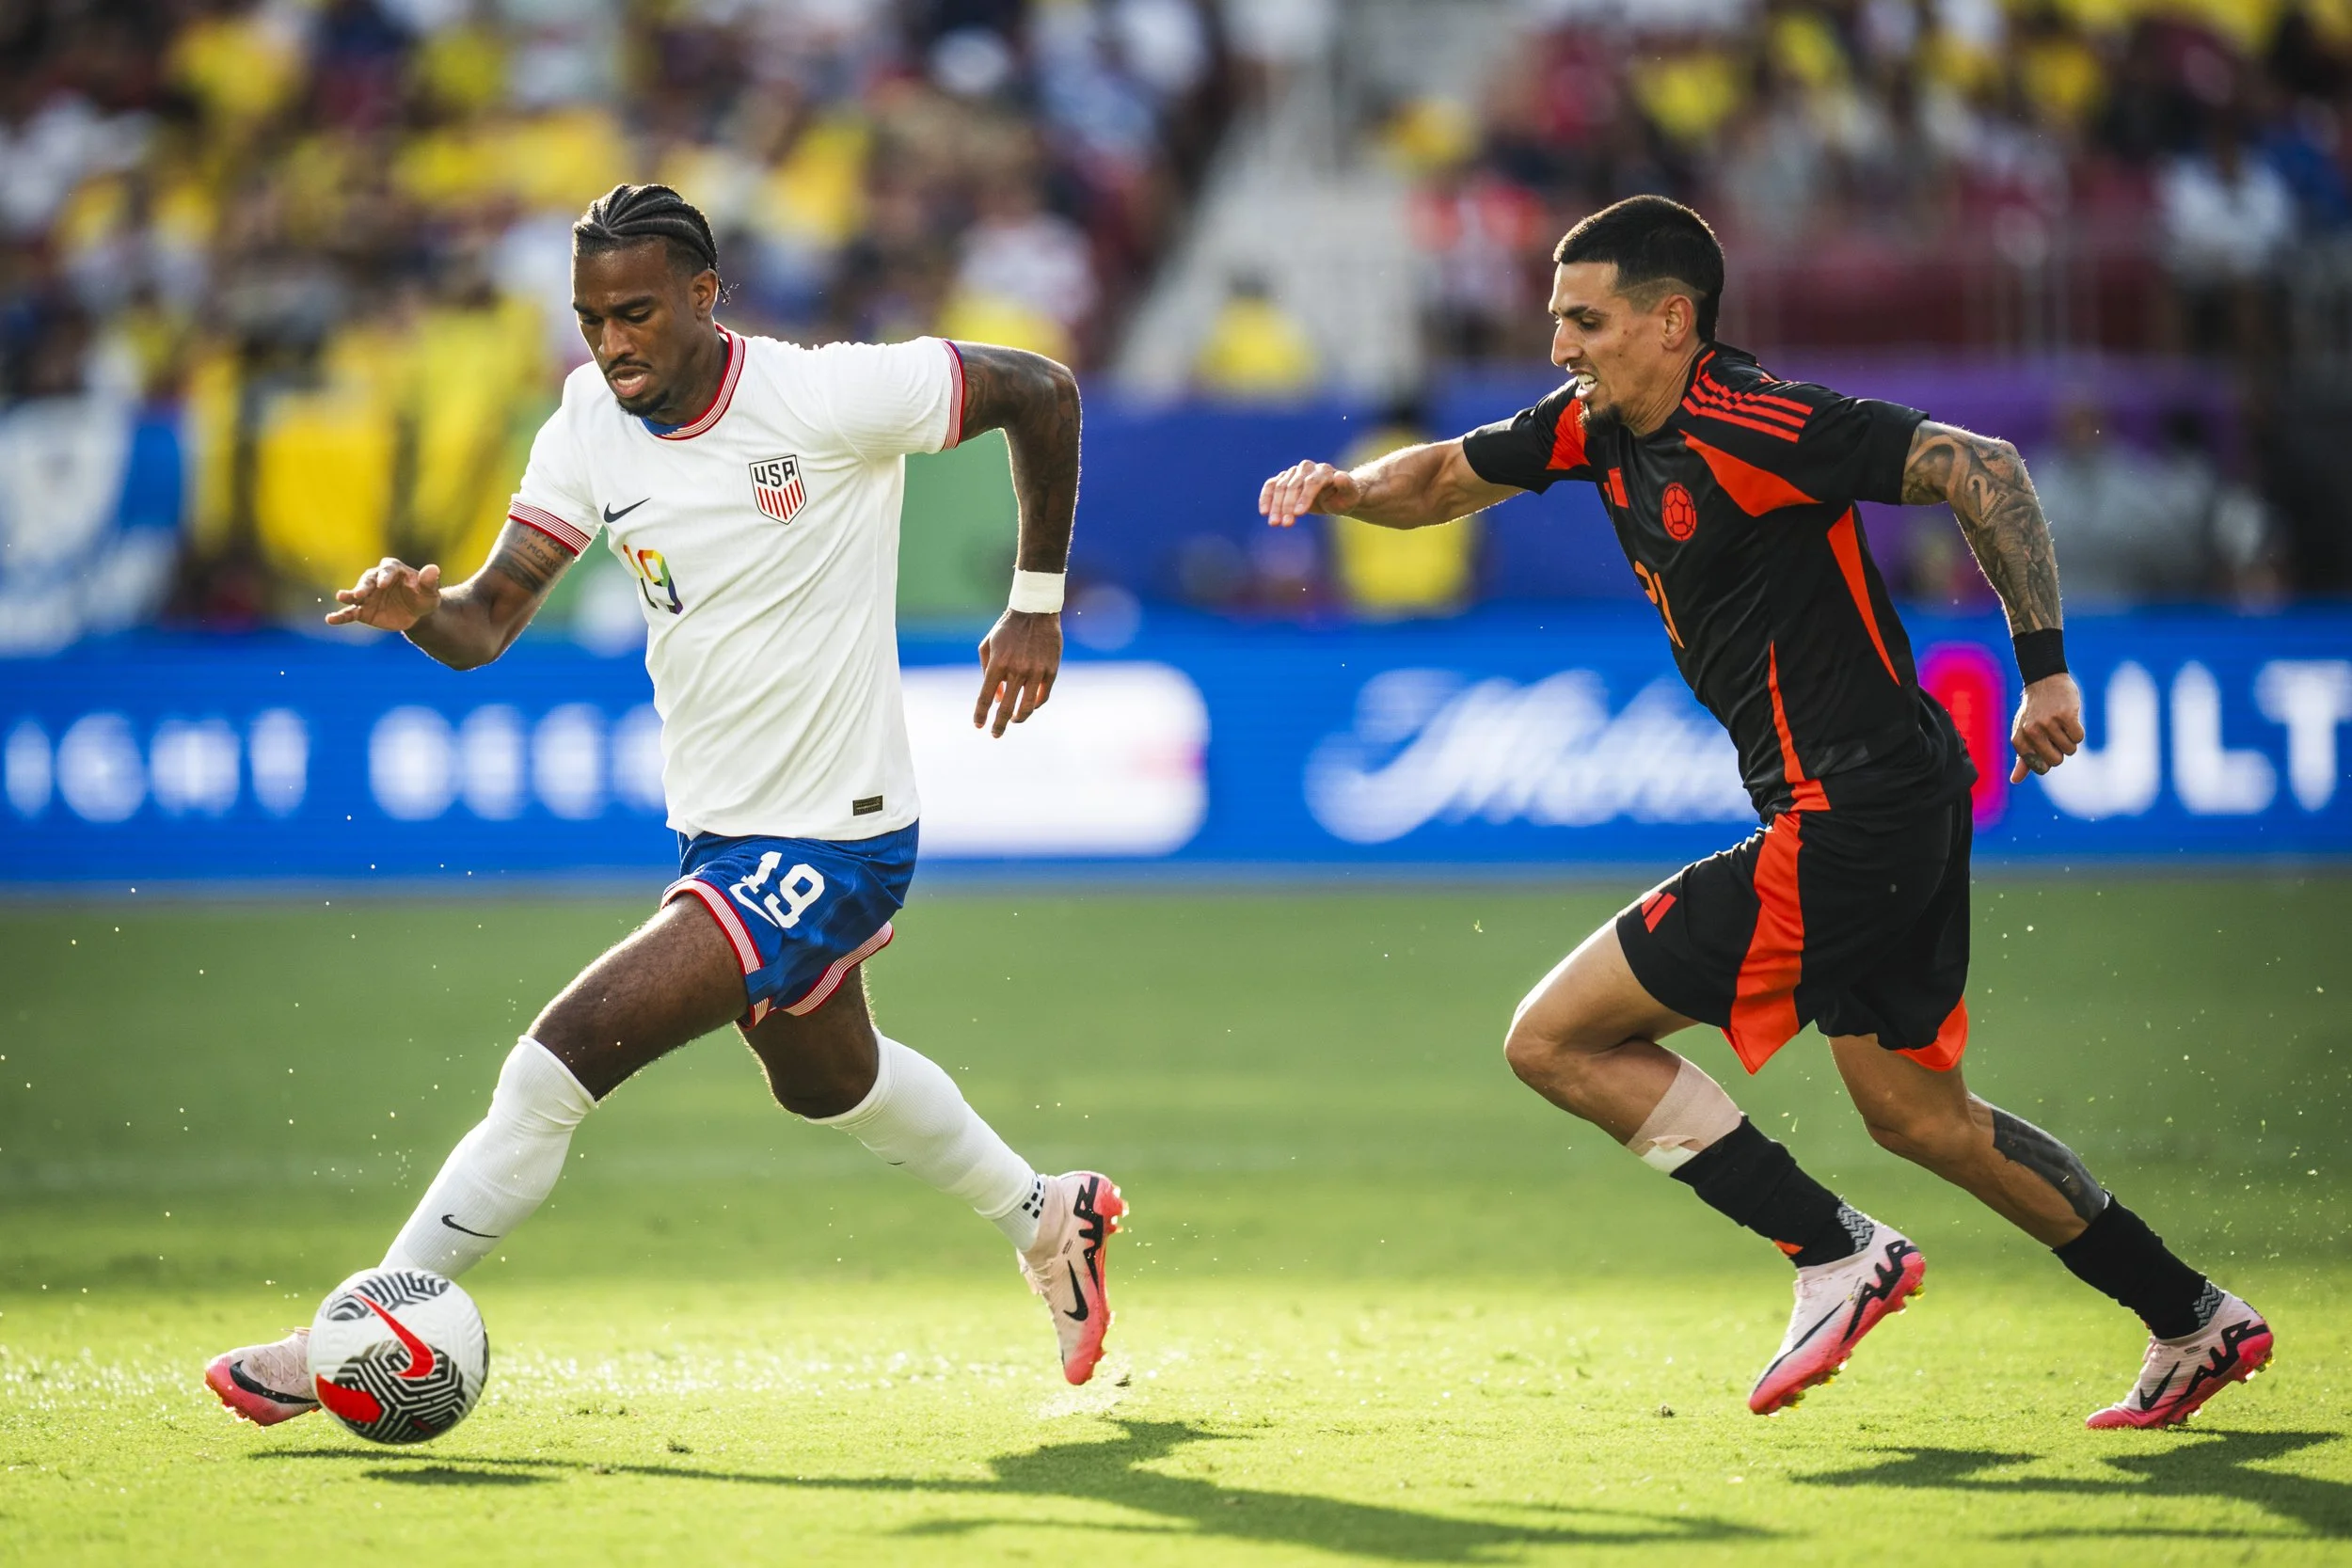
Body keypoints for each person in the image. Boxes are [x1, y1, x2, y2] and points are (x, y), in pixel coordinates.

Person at [1257, 195, 2270, 1428]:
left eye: (1588, 320)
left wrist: (2045, 665)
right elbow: (1450, 475)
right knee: (1917, 1114)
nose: (1563, 345)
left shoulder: (1758, 417)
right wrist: (1346, 490)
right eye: (1557, 319)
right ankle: (2192, 1316)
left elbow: (1979, 466)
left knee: (1556, 1038)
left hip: (1848, 809)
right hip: (1895, 792)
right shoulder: (1594, 426)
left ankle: (1834, 1249)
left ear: (1673, 320)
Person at [205, 184, 1123, 1426]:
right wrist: (421, 611)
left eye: (635, 313)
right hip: (719, 828)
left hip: (834, 832)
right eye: (590, 318)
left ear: (705, 294)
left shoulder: (825, 396)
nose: (611, 342)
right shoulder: (588, 420)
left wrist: (1034, 600)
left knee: (553, 1066)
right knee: (826, 1076)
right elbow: (485, 623)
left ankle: (346, 1333)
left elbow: (1043, 390)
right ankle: (1048, 1215)